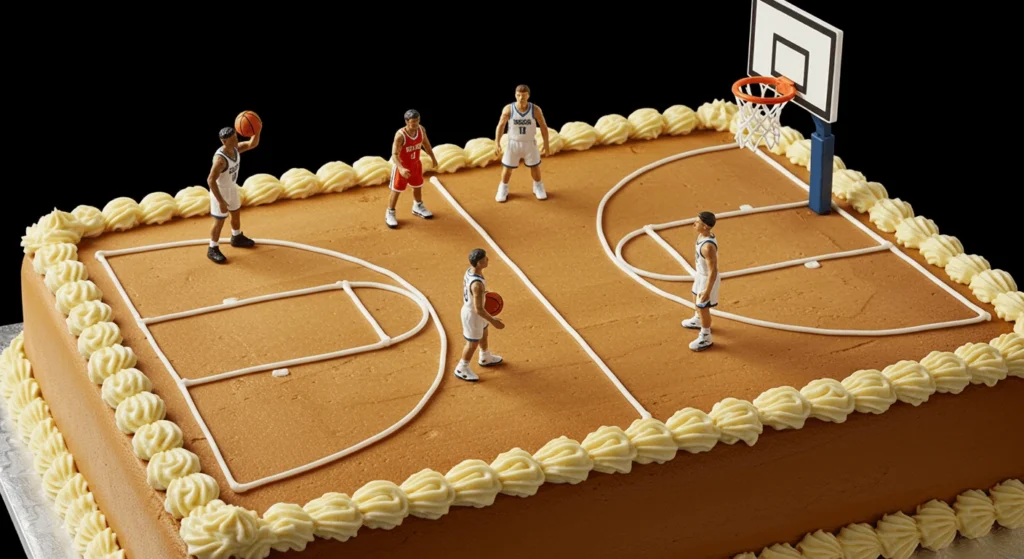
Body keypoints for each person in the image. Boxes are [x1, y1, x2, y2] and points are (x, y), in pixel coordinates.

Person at [207, 125, 260, 263]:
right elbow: (211, 180)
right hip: (220, 192)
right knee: (219, 221)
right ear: (224, 142)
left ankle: (236, 237)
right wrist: (221, 201)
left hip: (232, 188)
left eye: (236, 137)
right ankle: (212, 248)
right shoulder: (220, 160)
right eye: (232, 139)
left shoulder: (235, 149)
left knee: (235, 213)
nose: (236, 140)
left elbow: (251, 143)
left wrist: (257, 130)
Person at [493, 84, 550, 202]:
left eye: (523, 95)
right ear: (515, 95)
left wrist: (546, 144)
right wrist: (496, 142)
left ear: (528, 95)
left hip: (530, 142)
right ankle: (503, 187)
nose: (521, 98)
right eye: (518, 95)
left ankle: (538, 186)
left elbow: (543, 127)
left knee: (535, 166)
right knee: (507, 168)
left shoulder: (535, 109)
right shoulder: (509, 109)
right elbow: (501, 125)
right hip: (513, 143)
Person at [456, 248, 505, 381]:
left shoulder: (470, 271)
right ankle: (462, 368)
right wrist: (494, 321)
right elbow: (478, 309)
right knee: (472, 343)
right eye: (484, 259)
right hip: (473, 315)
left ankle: (485, 356)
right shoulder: (477, 284)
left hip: (476, 312)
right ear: (478, 263)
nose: (487, 260)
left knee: (484, 333)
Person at [386, 110, 439, 229]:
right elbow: (394, 154)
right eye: (413, 122)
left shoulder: (421, 129)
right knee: (396, 190)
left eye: (417, 121)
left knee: (417, 186)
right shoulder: (400, 135)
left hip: (416, 165)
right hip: (403, 167)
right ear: (406, 122)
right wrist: (401, 168)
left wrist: (433, 158)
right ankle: (390, 212)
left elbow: (426, 144)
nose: (415, 124)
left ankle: (418, 206)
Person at [681, 211, 719, 351]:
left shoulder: (707, 247)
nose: (693, 224)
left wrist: (708, 290)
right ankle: (698, 319)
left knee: (703, 306)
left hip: (707, 278)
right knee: (694, 296)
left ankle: (706, 336)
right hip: (700, 275)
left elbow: (713, 271)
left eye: (697, 223)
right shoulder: (702, 236)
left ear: (706, 227)